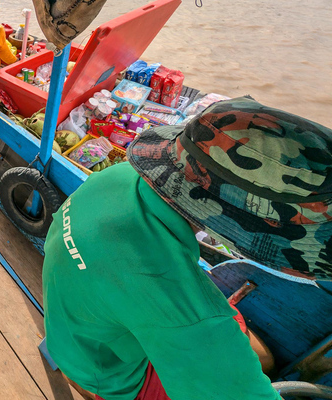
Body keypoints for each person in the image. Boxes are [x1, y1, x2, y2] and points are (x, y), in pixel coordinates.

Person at [42, 96, 332, 400]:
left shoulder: (116, 176)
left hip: (73, 330)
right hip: (109, 377)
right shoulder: (184, 308)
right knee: (259, 354)